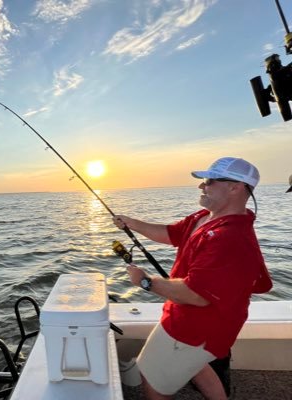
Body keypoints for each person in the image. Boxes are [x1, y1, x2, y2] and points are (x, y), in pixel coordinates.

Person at [113, 157, 273, 400]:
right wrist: (132, 223)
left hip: (197, 329)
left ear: (235, 187)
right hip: (185, 316)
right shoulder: (205, 216)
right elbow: (171, 233)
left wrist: (146, 281)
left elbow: (196, 295)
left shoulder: (230, 239)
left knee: (152, 377)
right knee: (198, 367)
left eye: (209, 181)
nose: (202, 186)